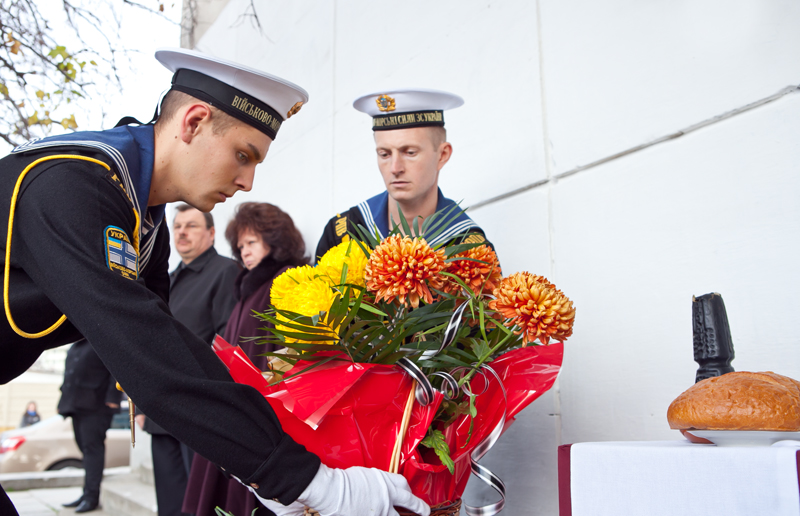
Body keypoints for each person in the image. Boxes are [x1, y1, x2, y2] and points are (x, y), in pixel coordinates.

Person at [0, 47, 429, 516]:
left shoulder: (141, 216)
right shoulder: (73, 185)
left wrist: (278, 469)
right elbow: (146, 354)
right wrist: (310, 482)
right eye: (243, 155)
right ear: (193, 122)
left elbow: (174, 349)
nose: (247, 182)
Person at [183, 202, 309, 516]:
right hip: (238, 404)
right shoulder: (247, 287)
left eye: (251, 243)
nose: (244, 252)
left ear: (275, 239)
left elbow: (294, 349)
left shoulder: (286, 281)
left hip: (269, 410)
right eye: (240, 246)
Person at [137, 204, 239, 516]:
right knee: (170, 502)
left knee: (200, 504)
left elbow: (227, 344)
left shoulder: (225, 272)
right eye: (178, 226)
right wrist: (141, 405)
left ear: (211, 234)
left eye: (191, 226)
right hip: (160, 408)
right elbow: (148, 343)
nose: (182, 232)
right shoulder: (166, 278)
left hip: (198, 409)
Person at [315, 89, 492, 260]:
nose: (395, 168)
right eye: (384, 154)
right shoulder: (345, 233)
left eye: (410, 152)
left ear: (442, 155)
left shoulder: (471, 250)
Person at [57, 339, 123, 513]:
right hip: (75, 405)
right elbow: (68, 374)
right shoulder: (75, 345)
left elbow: (115, 370)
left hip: (96, 406)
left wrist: (112, 398)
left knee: (92, 451)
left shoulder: (100, 340)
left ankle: (91, 497)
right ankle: (86, 493)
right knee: (85, 451)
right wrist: (62, 400)